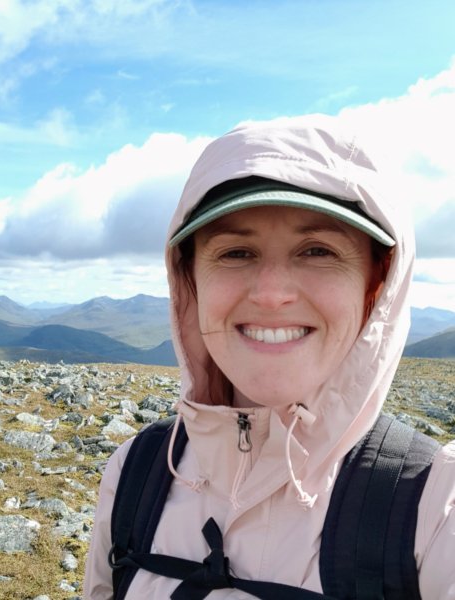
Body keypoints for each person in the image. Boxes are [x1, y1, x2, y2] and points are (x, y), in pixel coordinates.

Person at [84, 115, 455, 598]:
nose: (272, 293)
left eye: (318, 250)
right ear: (190, 281)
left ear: (376, 283)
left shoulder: (436, 507)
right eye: (236, 253)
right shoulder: (134, 471)